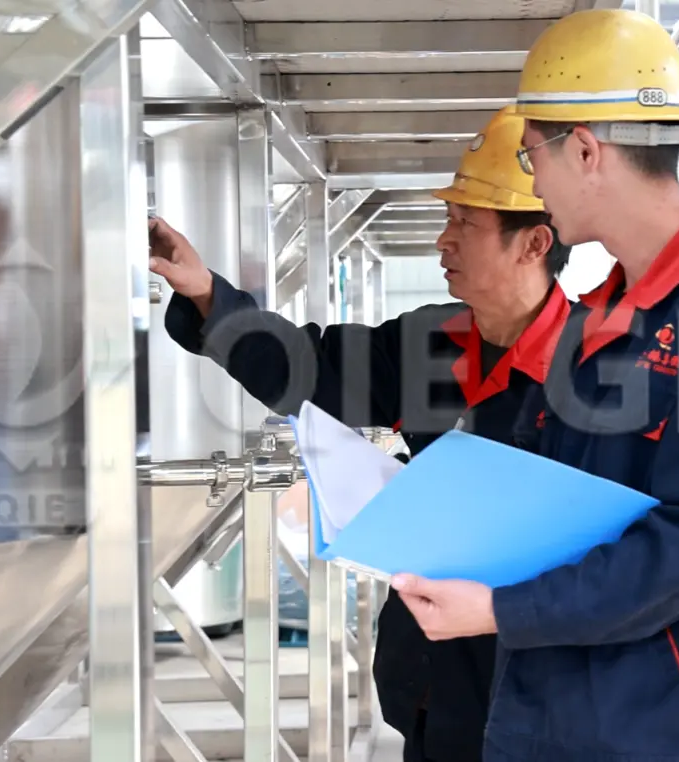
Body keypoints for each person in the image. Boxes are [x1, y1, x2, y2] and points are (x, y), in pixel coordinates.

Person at [385, 10, 679, 761]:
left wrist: (502, 608)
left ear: (583, 150)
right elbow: (559, 493)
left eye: (531, 155)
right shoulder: (611, 306)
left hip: (651, 724)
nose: (532, 179)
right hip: (563, 705)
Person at [148, 106, 573, 762]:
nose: (444, 240)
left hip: (547, 699)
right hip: (436, 690)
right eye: (447, 219)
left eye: (466, 223)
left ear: (535, 243)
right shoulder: (430, 341)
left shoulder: (600, 369)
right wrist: (208, 296)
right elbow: (306, 368)